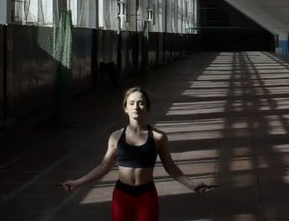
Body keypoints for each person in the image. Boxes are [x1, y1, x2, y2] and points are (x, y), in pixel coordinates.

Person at [60, 86, 214, 221]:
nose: (136, 107)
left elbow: (171, 167)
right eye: (131, 103)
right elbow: (103, 167)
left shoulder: (158, 137)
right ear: (125, 108)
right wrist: (77, 182)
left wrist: (192, 185)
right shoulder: (115, 136)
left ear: (147, 107)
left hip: (146, 195)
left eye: (141, 103)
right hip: (122, 195)